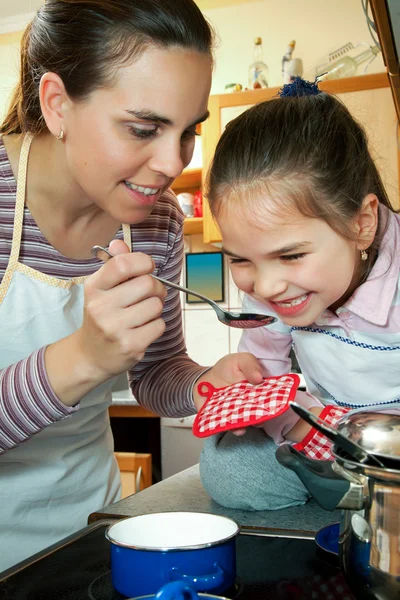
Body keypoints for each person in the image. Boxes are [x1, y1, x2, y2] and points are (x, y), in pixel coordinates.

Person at [0, 0, 264, 572]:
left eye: (188, 131)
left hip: (87, 533)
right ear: (56, 104)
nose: (171, 162)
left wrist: (206, 387)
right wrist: (84, 358)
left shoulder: (158, 220)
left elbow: (156, 374)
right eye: (143, 128)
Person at [199, 77, 400, 511]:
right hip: (331, 432)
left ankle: (358, 494)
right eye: (240, 260)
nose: (266, 287)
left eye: (290, 256)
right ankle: (348, 492)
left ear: (361, 223)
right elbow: (268, 375)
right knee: (227, 463)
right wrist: (261, 405)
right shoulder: (269, 289)